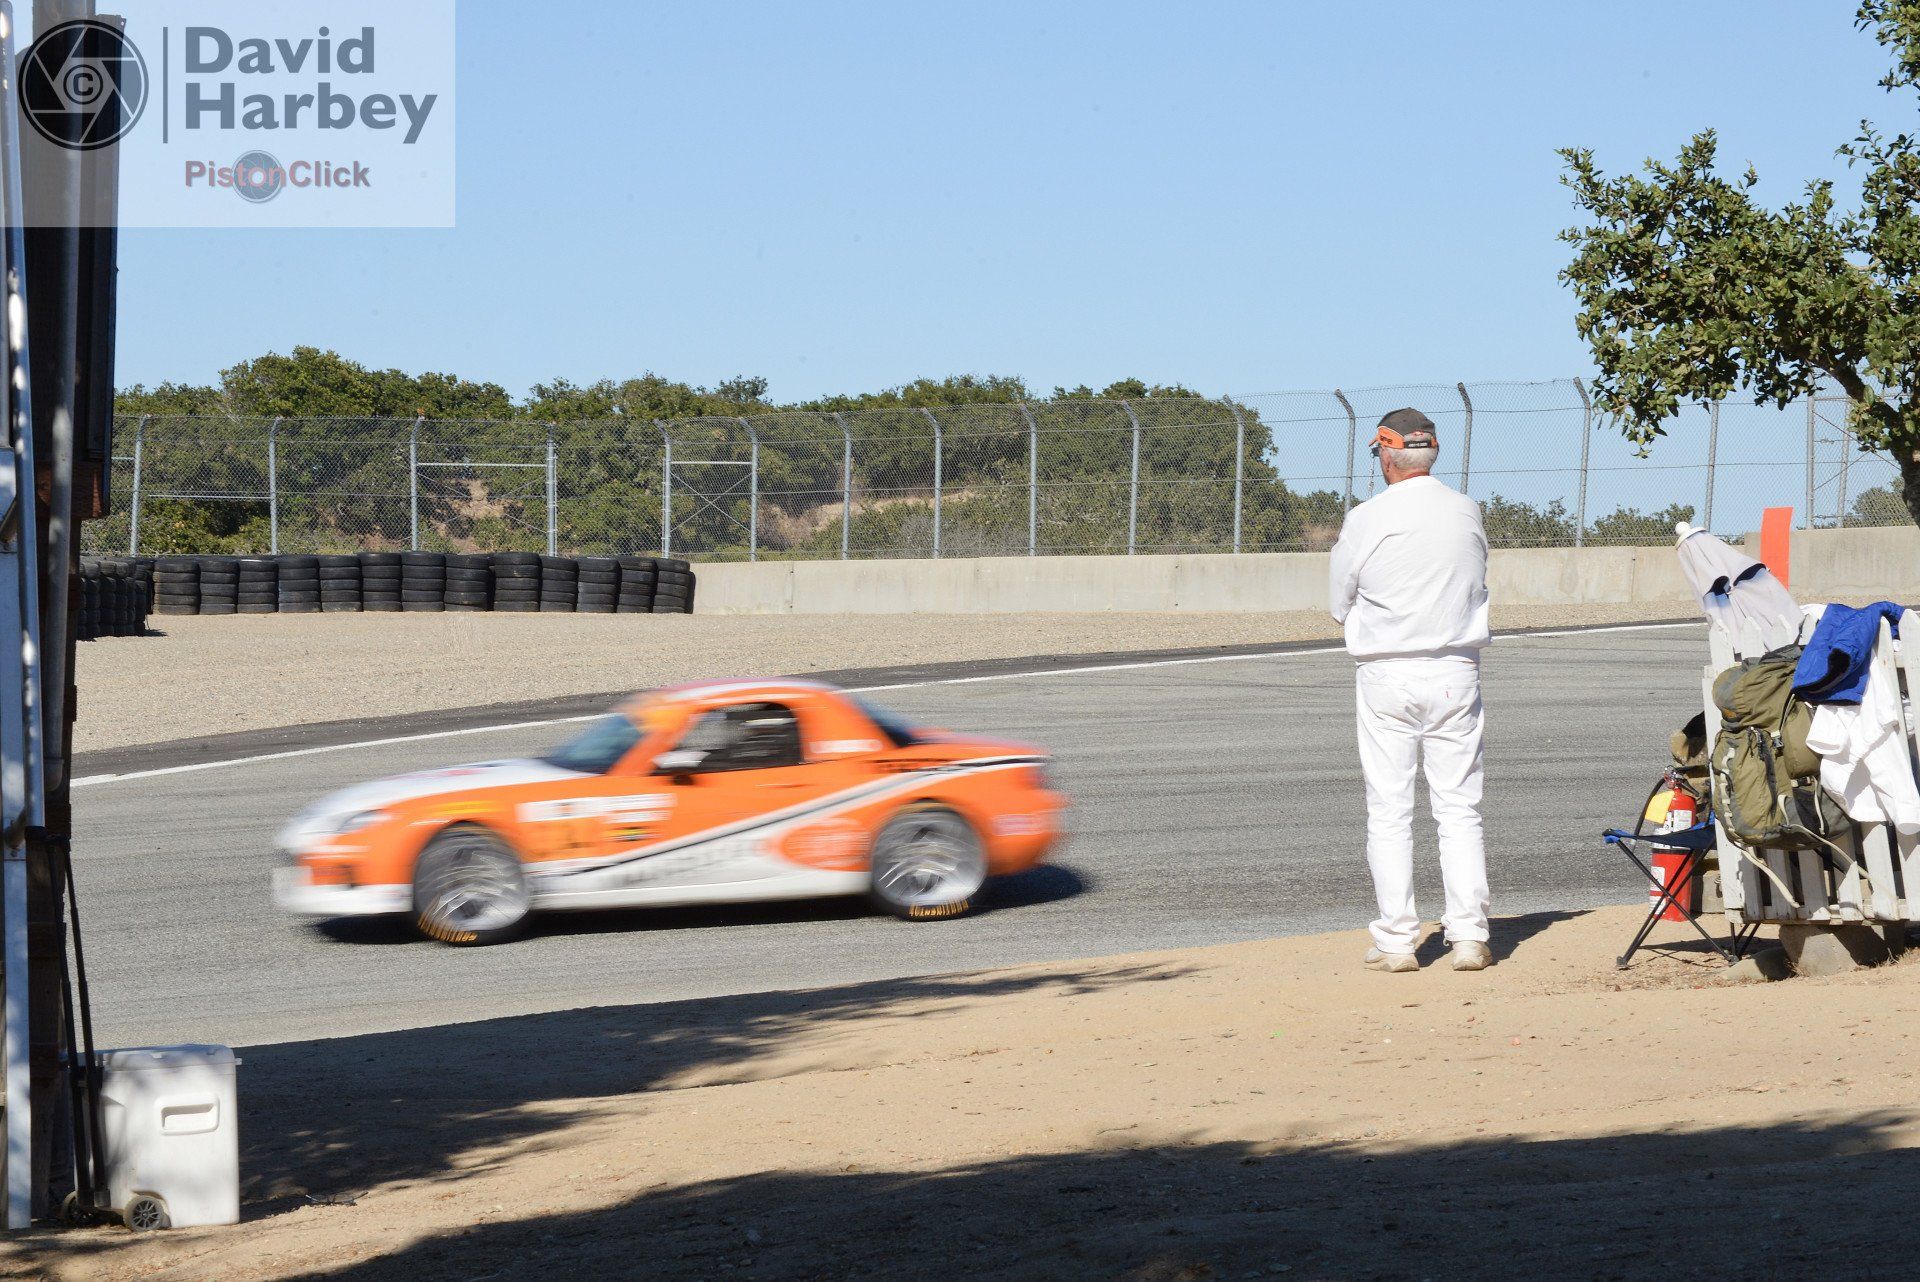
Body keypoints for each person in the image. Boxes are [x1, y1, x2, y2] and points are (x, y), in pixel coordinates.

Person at [1328, 408, 1492, 973]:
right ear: (1432, 452)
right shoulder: (1465, 510)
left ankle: (1398, 940)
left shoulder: (1366, 517)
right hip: (1455, 670)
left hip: (1388, 671)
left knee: (1390, 809)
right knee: (1459, 808)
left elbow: (1338, 600)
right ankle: (1468, 935)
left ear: (1386, 455)